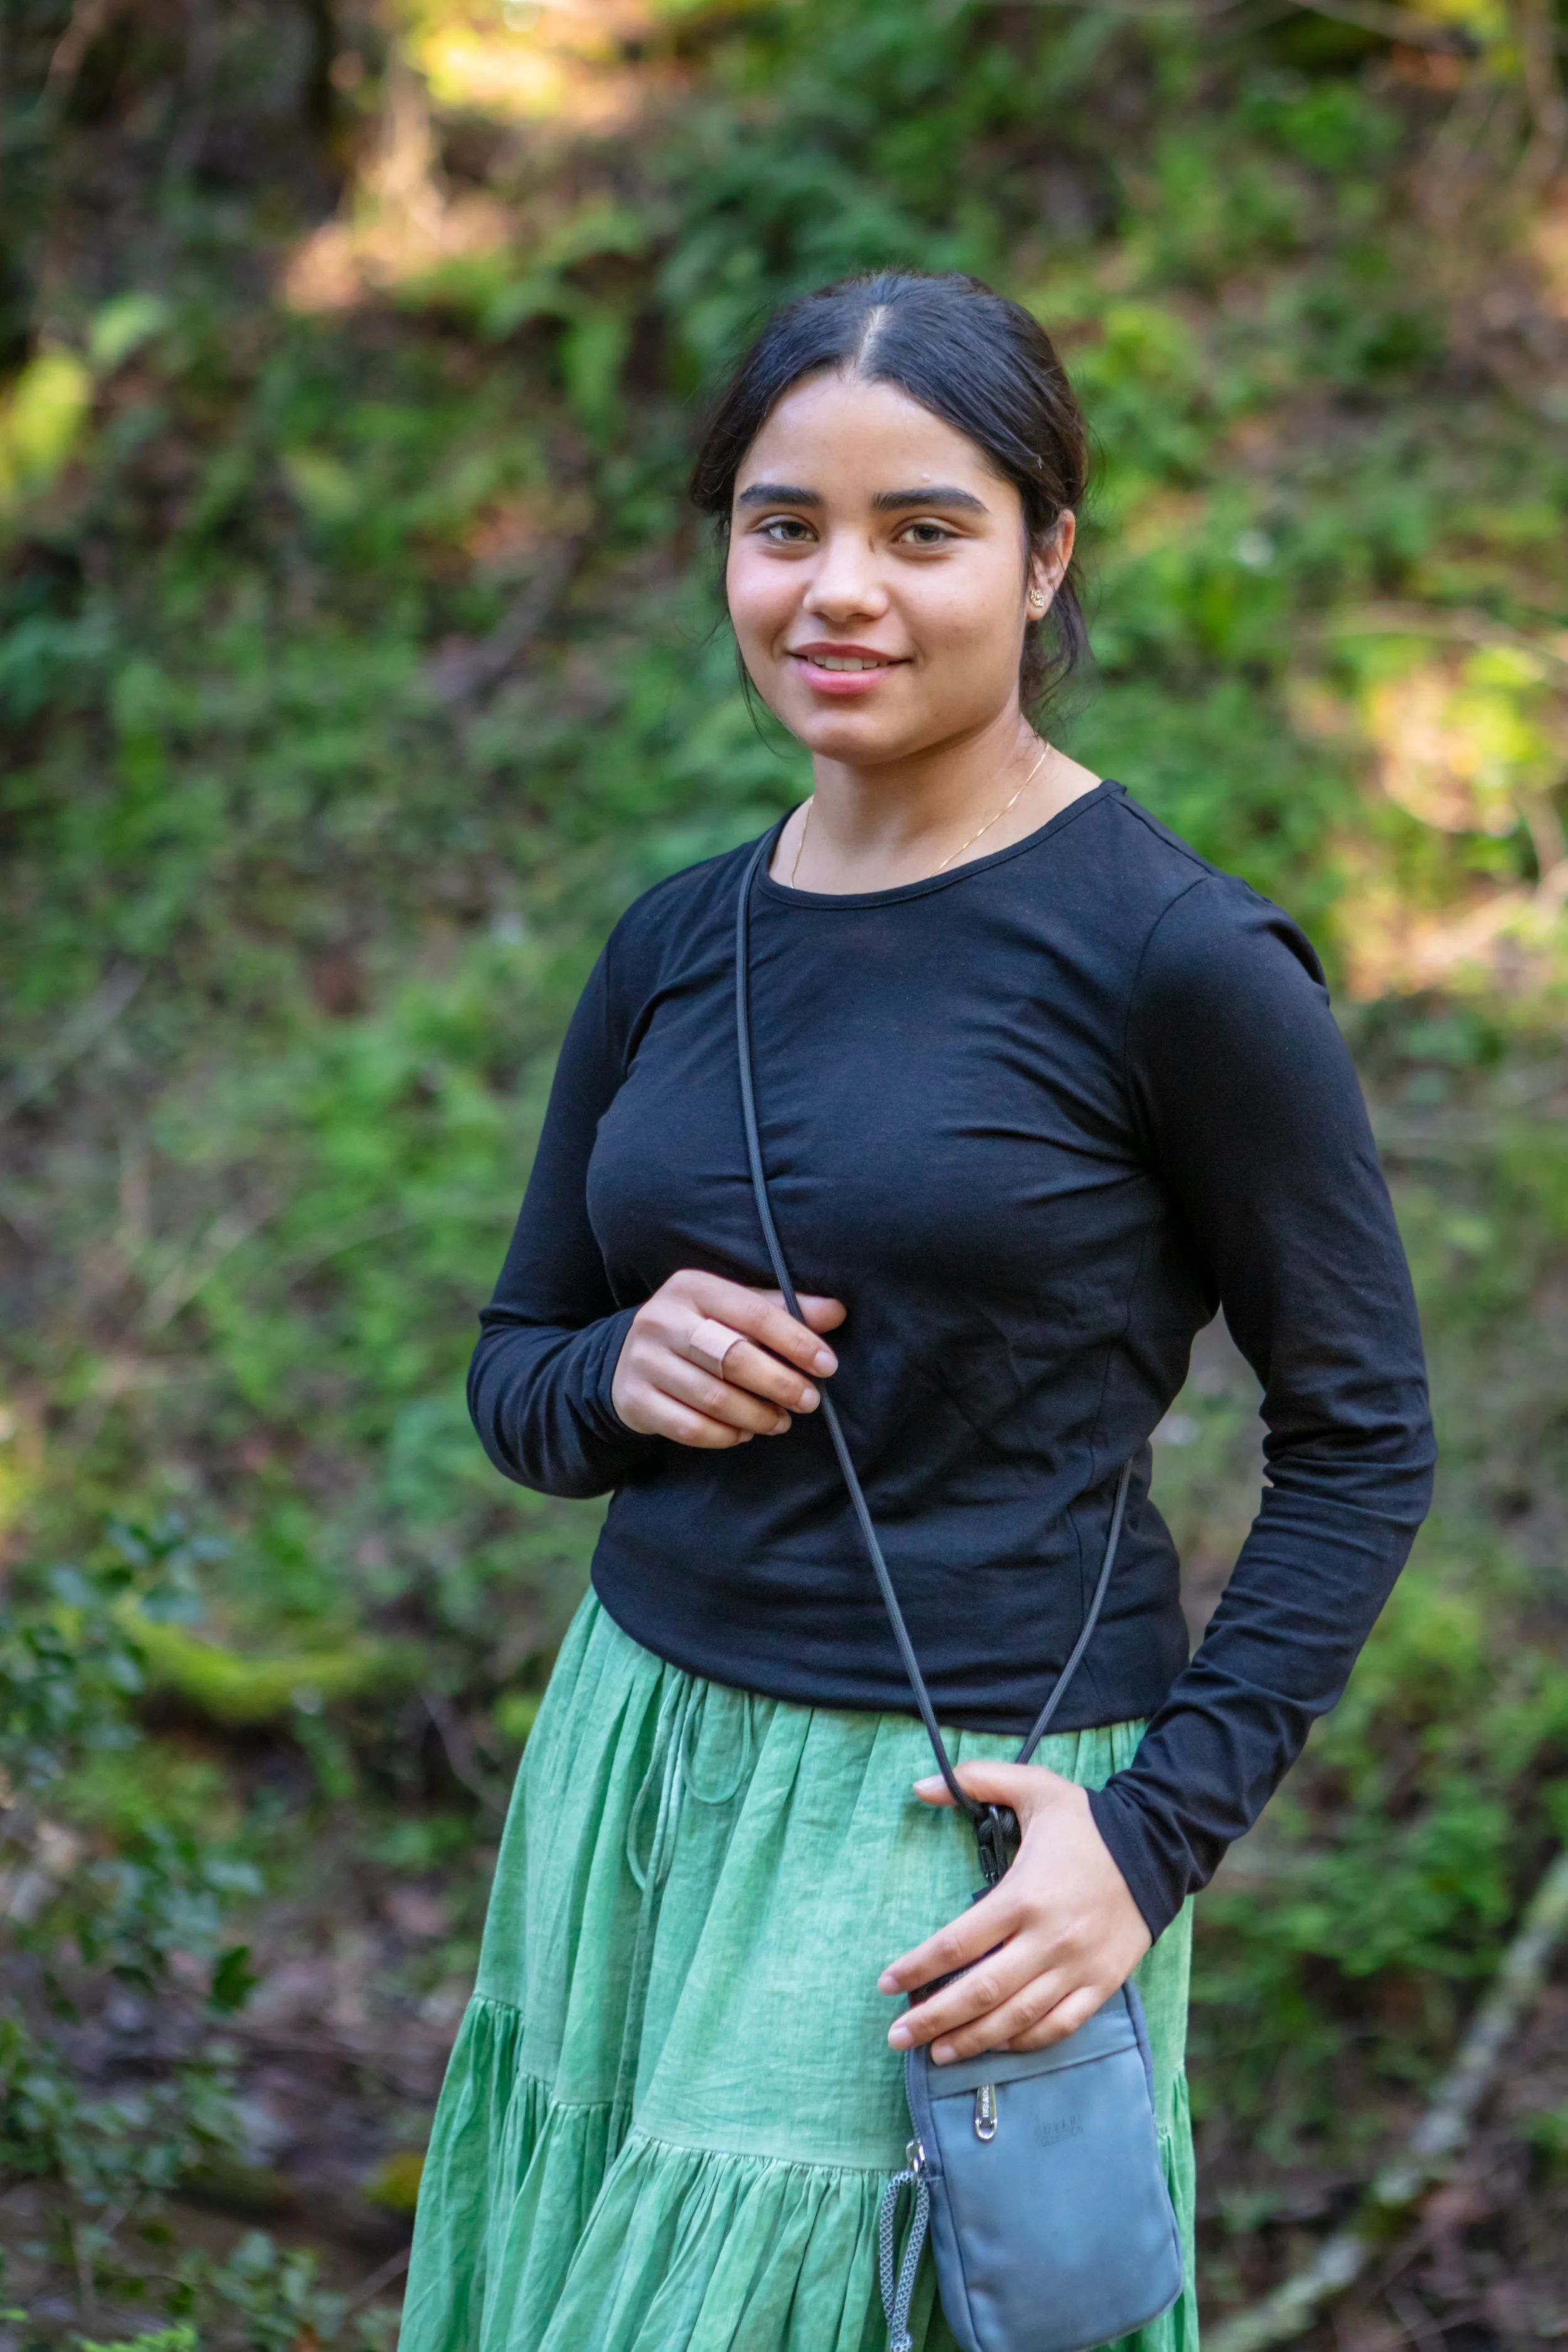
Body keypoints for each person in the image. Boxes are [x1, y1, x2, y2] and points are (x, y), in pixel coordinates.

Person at [399, 270, 1435, 2352]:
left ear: (1046, 554)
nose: (835, 591)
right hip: (637, 1761)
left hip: (954, 1819)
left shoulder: (1176, 960)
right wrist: (623, 1371)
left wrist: (1149, 1845)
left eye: (921, 529)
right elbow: (516, 1377)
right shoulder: (676, 939)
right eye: (782, 526)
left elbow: (1362, 1436)